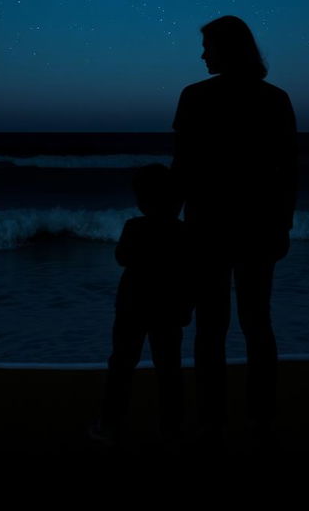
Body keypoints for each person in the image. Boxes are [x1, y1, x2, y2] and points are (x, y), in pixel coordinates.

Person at [171, 15, 298, 442]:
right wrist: (283, 225)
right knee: (256, 322)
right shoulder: (275, 100)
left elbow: (182, 169)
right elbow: (287, 174)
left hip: (208, 226)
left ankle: (212, 419)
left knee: (211, 327)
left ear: (227, 49)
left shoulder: (195, 98)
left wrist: (169, 225)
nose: (202, 54)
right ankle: (260, 416)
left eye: (208, 46)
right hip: (258, 225)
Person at [91, 163, 194, 446]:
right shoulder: (182, 231)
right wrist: (187, 307)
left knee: (122, 365)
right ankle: (171, 427)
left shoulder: (134, 227)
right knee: (169, 368)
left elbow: (121, 258)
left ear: (142, 201)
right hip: (169, 310)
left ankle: (110, 424)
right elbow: (188, 273)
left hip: (131, 307)